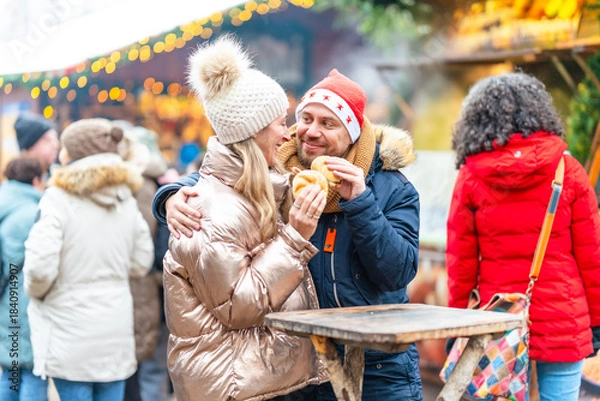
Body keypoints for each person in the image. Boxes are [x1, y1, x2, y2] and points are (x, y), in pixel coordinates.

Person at [152, 70, 423, 400]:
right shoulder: (278, 171)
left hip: (378, 368)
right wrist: (171, 195)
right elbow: (223, 176)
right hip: (302, 367)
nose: (310, 132)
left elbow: (397, 272)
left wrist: (362, 204)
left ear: (352, 133)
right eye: (305, 118)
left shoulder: (390, 188)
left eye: (328, 123)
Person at [162, 36, 327, 401]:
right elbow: (239, 307)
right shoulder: (212, 209)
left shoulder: (253, 191)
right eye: (279, 123)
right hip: (235, 386)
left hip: (254, 379)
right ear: (252, 133)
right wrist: (295, 238)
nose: (288, 135)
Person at [446, 72, 600, 401]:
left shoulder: (471, 176)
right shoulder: (567, 169)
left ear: (476, 120)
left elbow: (460, 263)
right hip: (564, 315)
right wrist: (598, 321)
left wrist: (455, 321)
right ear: (539, 111)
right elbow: (593, 256)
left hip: (498, 315)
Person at [23, 118, 154, 401]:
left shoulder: (56, 198)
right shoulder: (126, 199)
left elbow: (39, 269)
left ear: (70, 154)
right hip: (115, 331)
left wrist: (37, 294)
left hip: (68, 331)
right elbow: (142, 260)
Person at [0, 156, 47, 401]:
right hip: (32, 301)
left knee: (11, 372)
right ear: (36, 180)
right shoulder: (37, 212)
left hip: (8, 303)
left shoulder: (4, 206)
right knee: (33, 374)